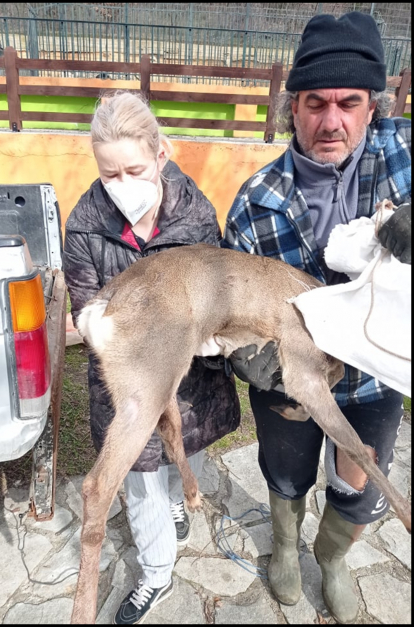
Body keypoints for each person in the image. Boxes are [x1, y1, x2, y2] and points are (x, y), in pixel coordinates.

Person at [222, 12, 410, 624]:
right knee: (286, 469)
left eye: (348, 102)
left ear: (372, 106)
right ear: (292, 108)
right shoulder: (257, 201)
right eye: (315, 103)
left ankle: (331, 557)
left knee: (360, 474)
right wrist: (269, 370)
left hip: (374, 376)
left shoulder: (402, 157)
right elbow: (233, 318)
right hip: (291, 377)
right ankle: (283, 545)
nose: (332, 121)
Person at [63, 91, 241, 625]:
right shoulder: (85, 225)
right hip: (129, 384)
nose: (121, 187)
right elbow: (85, 299)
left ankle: (179, 508)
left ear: (160, 155)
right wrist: (94, 323)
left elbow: (217, 285)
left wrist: (212, 329)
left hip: (192, 378)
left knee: (187, 450)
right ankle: (158, 573)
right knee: (139, 479)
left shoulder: (195, 213)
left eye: (133, 170)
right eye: (109, 173)